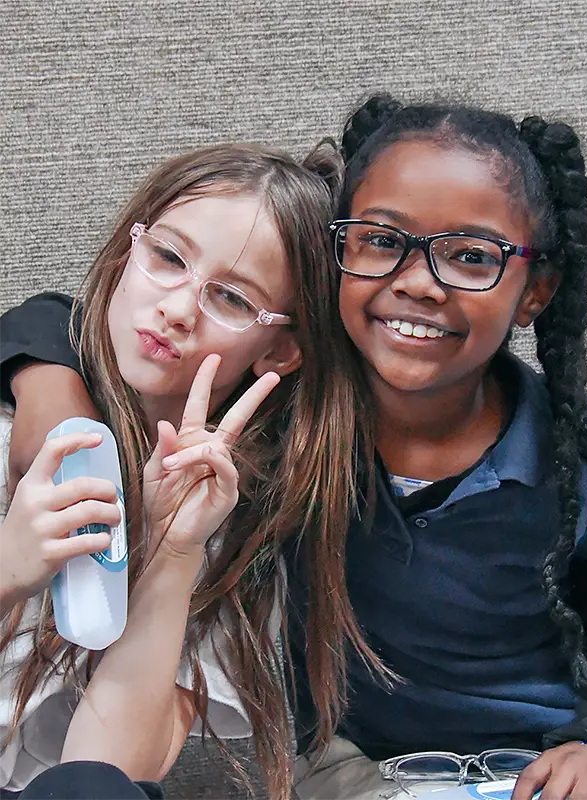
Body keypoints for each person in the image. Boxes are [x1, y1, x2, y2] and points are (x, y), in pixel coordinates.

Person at [3, 94, 587, 800]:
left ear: (535, 292)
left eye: (470, 257)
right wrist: (58, 416)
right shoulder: (274, 449)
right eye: (382, 241)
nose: (418, 283)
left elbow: (107, 770)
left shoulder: (571, 454)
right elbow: (51, 319)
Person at [0, 141, 376, 800]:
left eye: (230, 298)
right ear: (129, 248)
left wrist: (175, 553)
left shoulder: (225, 522)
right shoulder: (16, 426)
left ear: (281, 349)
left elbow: (108, 774)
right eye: (167, 258)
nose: (177, 309)